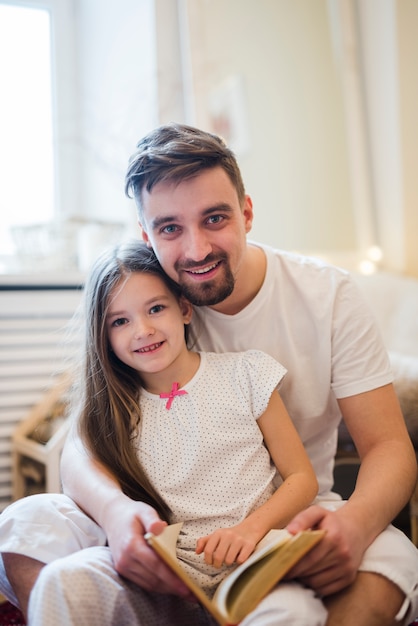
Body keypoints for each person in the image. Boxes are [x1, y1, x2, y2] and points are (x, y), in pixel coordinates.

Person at [1, 122, 418, 625]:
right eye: (170, 228)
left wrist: (353, 525)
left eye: (215, 218)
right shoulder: (143, 299)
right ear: (147, 234)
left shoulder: (327, 295)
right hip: (159, 524)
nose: (196, 250)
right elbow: (84, 441)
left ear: (246, 213)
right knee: (27, 521)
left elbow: (389, 447)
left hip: (285, 513)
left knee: (393, 562)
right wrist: (114, 512)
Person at [1, 239, 318, 625]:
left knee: (296, 612)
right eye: (120, 321)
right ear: (104, 336)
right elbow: (81, 481)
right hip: (163, 579)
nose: (143, 330)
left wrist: (251, 530)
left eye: (155, 308)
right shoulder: (113, 411)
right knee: (63, 577)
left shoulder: (247, 373)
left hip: (251, 558)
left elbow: (302, 478)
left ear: (184, 309)